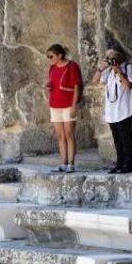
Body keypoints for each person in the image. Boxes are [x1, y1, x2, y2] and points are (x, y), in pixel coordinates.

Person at [92, 48, 132, 173]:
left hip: (124, 109)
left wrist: (119, 71)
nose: (111, 59)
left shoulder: (128, 67)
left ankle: (129, 164)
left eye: (112, 56)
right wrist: (101, 68)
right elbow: (95, 81)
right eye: (108, 57)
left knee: (126, 138)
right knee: (117, 138)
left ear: (119, 55)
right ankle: (120, 163)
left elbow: (128, 86)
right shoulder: (108, 71)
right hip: (112, 111)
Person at [46, 44, 83, 173]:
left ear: (59, 55)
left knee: (69, 134)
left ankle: (71, 164)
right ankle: (63, 163)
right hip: (55, 105)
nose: (49, 58)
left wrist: (74, 105)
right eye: (48, 56)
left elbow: (77, 86)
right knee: (60, 135)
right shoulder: (52, 68)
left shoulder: (72, 66)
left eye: (51, 56)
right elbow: (53, 83)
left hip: (68, 104)